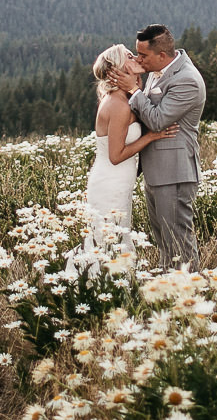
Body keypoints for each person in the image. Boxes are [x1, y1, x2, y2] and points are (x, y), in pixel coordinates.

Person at [108, 23, 206, 268]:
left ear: (162, 55)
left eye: (143, 55)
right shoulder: (155, 71)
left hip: (174, 172)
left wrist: (132, 89)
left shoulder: (187, 80)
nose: (139, 60)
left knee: (177, 240)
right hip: (155, 172)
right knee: (163, 239)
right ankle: (168, 288)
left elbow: (158, 120)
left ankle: (187, 289)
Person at [83, 44, 177, 244]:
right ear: (117, 69)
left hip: (118, 182)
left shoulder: (121, 99)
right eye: (129, 56)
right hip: (110, 184)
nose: (136, 57)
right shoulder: (118, 105)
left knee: (113, 242)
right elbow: (115, 156)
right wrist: (151, 137)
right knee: (109, 244)